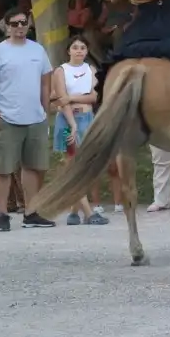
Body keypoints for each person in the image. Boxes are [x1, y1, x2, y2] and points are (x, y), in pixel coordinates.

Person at [0, 5, 56, 231]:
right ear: (7, 27)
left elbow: (45, 82)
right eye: (15, 24)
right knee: (3, 169)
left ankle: (31, 212)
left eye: (24, 22)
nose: (20, 27)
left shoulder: (38, 50)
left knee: (33, 167)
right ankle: (3, 214)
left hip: (35, 119)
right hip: (7, 118)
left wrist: (45, 111)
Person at [51, 36, 108, 225]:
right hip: (67, 121)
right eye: (75, 47)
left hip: (86, 119)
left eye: (83, 47)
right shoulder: (61, 71)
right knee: (73, 164)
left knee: (84, 165)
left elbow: (94, 96)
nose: (79, 51)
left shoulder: (91, 70)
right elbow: (61, 99)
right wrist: (72, 123)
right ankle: (89, 213)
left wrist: (72, 97)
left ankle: (74, 212)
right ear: (68, 50)